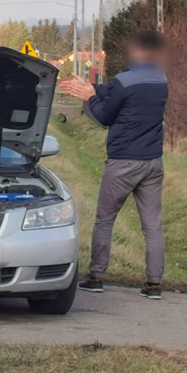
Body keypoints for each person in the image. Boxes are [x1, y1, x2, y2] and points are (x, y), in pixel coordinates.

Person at [60, 30, 169, 300]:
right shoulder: (162, 80)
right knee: (152, 225)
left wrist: (89, 97)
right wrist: (93, 88)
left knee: (105, 220)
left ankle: (96, 276)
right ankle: (154, 284)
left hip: (122, 162)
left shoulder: (124, 80)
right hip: (153, 162)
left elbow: (104, 116)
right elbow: (115, 91)